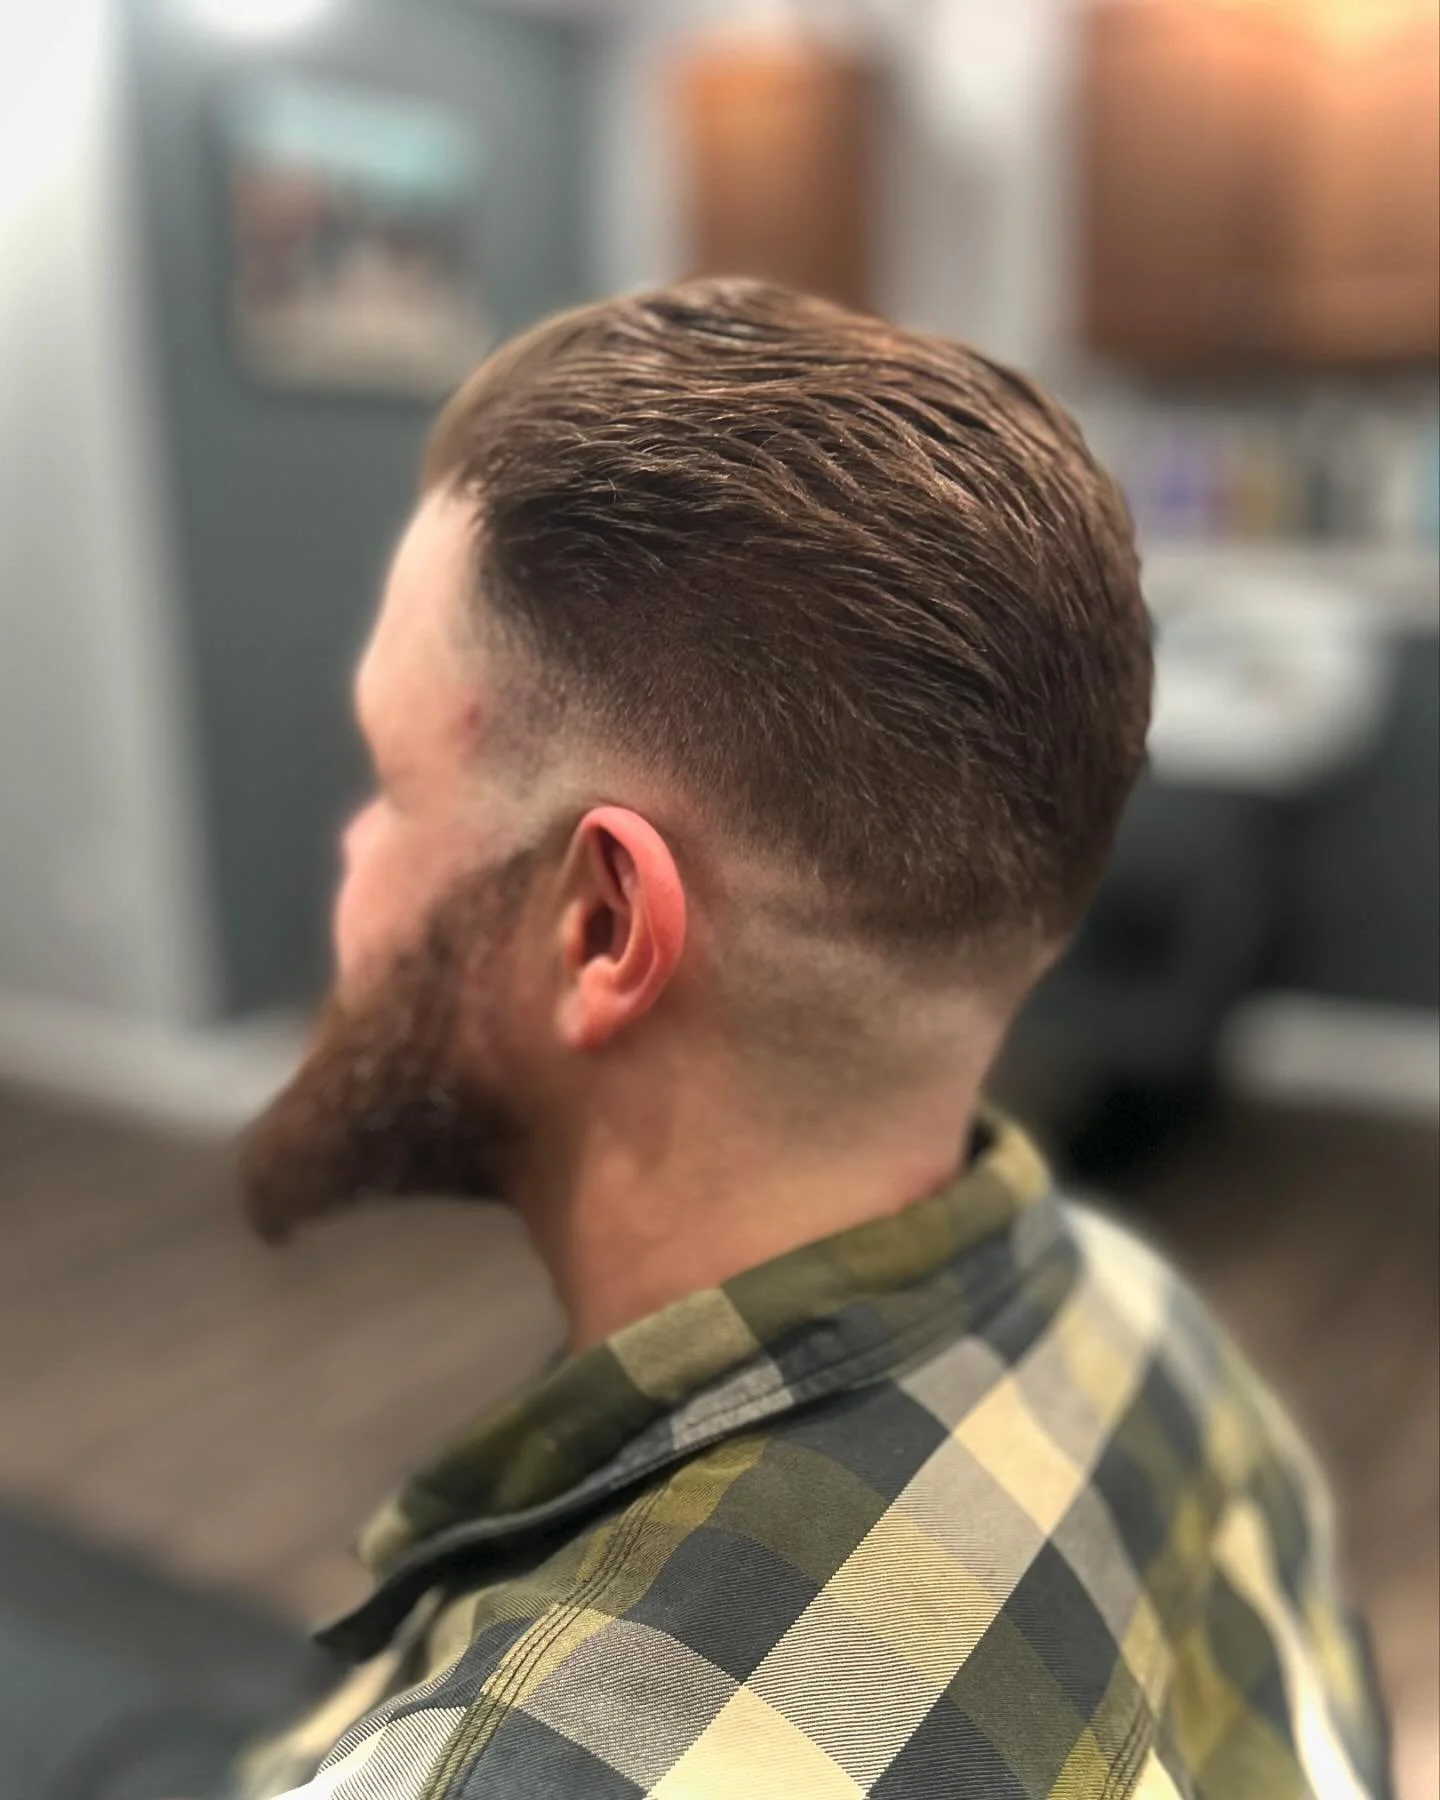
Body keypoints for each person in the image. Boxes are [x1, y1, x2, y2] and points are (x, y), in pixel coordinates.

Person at [234, 279, 1390, 1800]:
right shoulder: (1160, 1336)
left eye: (390, 783)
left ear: (601, 928)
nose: (353, 857)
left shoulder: (510, 1768)